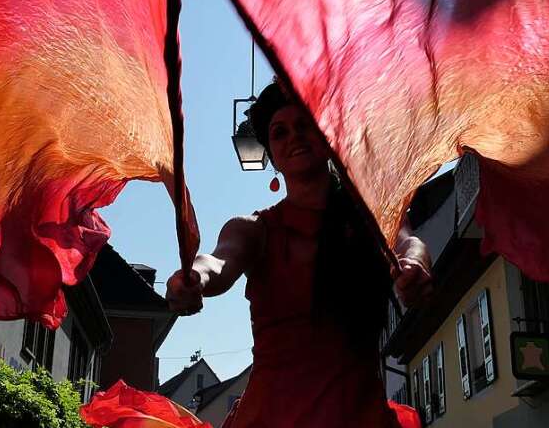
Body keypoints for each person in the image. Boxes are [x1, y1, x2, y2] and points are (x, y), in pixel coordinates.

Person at [166, 82, 433, 428]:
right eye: (279, 132)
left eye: (305, 125)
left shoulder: (372, 218)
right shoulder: (254, 230)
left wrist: (413, 264)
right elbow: (218, 260)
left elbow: (408, 242)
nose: (294, 136)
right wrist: (193, 277)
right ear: (271, 154)